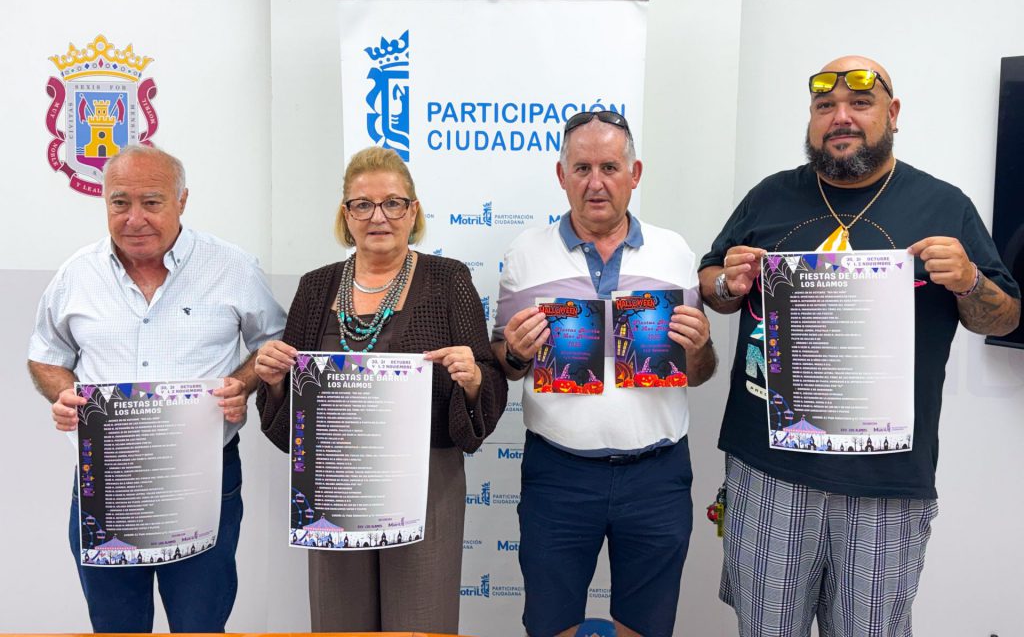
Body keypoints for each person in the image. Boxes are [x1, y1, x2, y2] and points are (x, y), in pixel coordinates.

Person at [699, 56, 1020, 637]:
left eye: (860, 104)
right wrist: (727, 282)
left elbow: (1005, 316)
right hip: (771, 470)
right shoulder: (769, 197)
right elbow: (711, 283)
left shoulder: (944, 205)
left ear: (892, 113)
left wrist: (970, 279)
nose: (840, 117)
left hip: (887, 481)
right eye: (825, 106)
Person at [27, 144, 286, 633]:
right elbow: (45, 356)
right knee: (115, 626)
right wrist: (63, 393)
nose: (135, 218)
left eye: (152, 202)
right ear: (104, 201)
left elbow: (271, 345)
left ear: (182, 201)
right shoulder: (76, 274)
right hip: (107, 479)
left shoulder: (232, 267)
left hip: (205, 475)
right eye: (120, 202)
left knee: (200, 625)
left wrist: (243, 383)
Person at [253, 145, 506, 632]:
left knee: (420, 622)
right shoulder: (315, 287)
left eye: (393, 203)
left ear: (413, 211)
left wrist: (474, 379)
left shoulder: (448, 279)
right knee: (339, 623)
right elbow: (289, 413)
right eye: (362, 204)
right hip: (333, 484)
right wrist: (276, 381)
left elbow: (487, 377)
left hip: (426, 481)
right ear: (345, 215)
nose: (378, 216)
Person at [492, 111, 717, 637]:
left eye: (610, 167)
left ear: (634, 174)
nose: (596, 183)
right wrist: (517, 354)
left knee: (647, 625)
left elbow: (699, 372)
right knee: (551, 623)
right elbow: (503, 360)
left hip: (657, 474)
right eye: (582, 168)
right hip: (559, 473)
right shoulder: (524, 255)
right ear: (561, 175)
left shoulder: (675, 252)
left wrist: (700, 347)